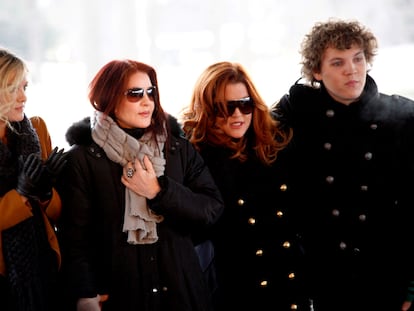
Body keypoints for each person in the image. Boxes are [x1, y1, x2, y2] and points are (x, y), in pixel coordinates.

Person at [56, 59, 224, 311]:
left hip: (182, 294)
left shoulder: (178, 148)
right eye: (135, 94)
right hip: (119, 296)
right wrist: (85, 294)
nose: (147, 101)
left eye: (150, 92)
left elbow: (211, 210)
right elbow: (75, 239)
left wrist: (159, 192)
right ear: (108, 98)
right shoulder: (82, 160)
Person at [271, 18, 414, 311]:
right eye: (337, 62)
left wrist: (412, 285)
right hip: (323, 279)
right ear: (316, 71)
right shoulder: (294, 118)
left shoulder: (403, 117)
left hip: (387, 277)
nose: (352, 69)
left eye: (358, 58)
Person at [181, 61, 311, 311]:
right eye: (225, 108)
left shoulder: (274, 144)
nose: (238, 115)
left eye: (245, 104)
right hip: (237, 292)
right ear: (207, 109)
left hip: (291, 286)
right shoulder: (193, 159)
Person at [0, 47, 66, 311]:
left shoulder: (36, 129)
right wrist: (21, 195)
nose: (24, 97)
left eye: (25, 86)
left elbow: (58, 213)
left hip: (45, 265)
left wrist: (45, 191)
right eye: (14, 88)